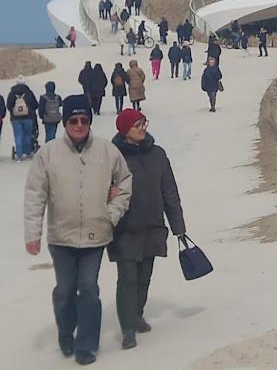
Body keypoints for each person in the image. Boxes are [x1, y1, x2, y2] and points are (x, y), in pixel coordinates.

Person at [24, 94, 132, 365]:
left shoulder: (107, 152)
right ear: (65, 121)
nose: (79, 124)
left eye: (84, 119)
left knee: (88, 288)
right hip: (61, 236)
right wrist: (32, 234)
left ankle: (86, 344)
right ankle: (65, 330)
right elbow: (35, 194)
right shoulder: (48, 154)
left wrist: (112, 213)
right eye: (73, 119)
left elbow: (125, 182)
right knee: (64, 290)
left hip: (96, 235)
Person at [108, 109, 186, 349]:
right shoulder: (112, 157)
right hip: (124, 229)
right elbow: (96, 188)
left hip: (152, 225)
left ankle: (137, 313)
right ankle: (128, 327)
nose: (142, 127)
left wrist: (178, 225)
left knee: (144, 277)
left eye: (144, 123)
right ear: (124, 130)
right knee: (128, 279)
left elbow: (169, 191)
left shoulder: (158, 154)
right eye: (137, 124)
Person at [7, 77, 38, 160]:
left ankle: (19, 154)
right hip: (28, 117)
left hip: (15, 118)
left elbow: (9, 105)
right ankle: (27, 152)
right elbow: (35, 105)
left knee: (18, 135)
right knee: (27, 135)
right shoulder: (29, 93)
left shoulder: (12, 93)